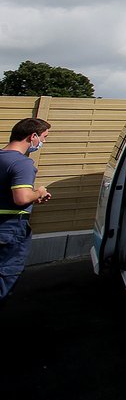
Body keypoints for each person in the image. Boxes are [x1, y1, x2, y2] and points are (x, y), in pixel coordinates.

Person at [1, 118, 52, 304]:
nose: (43, 142)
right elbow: (21, 198)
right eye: (44, 137)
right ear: (33, 136)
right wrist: (38, 192)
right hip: (9, 229)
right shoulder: (22, 163)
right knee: (5, 278)